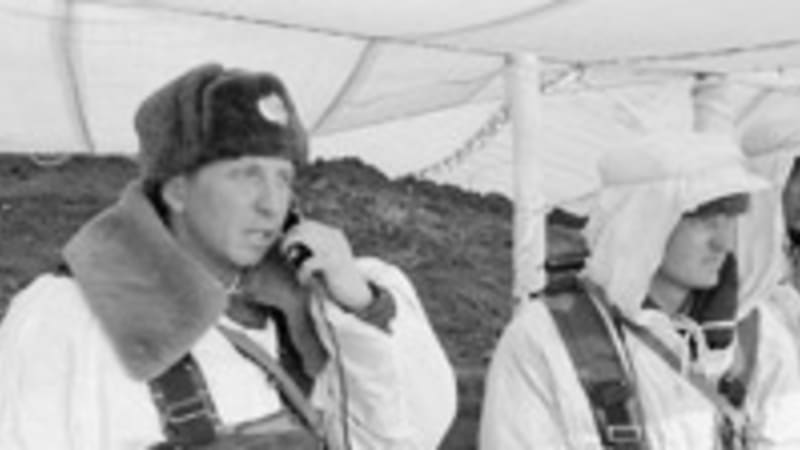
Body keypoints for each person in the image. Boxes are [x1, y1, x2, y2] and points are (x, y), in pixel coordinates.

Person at [0, 63, 456, 449]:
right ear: (178, 190)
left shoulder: (304, 310)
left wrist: (359, 309)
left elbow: (394, 441)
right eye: (245, 175)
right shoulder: (64, 319)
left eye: (283, 178)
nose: (271, 204)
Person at [480, 132, 800, 449]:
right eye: (704, 221)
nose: (724, 243)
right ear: (644, 222)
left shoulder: (757, 339)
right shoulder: (545, 342)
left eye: (731, 218)